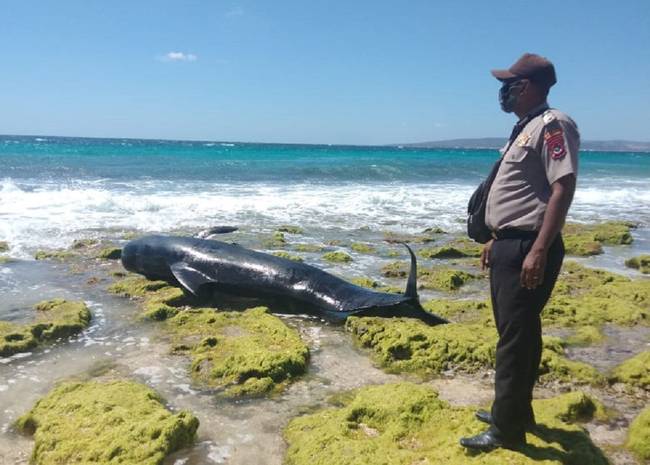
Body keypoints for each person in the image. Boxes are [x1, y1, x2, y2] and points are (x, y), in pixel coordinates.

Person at [460, 53, 580, 451]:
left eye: (509, 83)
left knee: (513, 338)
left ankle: (505, 429)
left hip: (530, 245)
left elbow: (562, 186)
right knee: (521, 333)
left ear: (526, 86)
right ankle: (516, 411)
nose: (503, 90)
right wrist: (496, 237)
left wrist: (539, 249)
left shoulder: (552, 125)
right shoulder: (524, 128)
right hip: (512, 243)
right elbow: (523, 194)